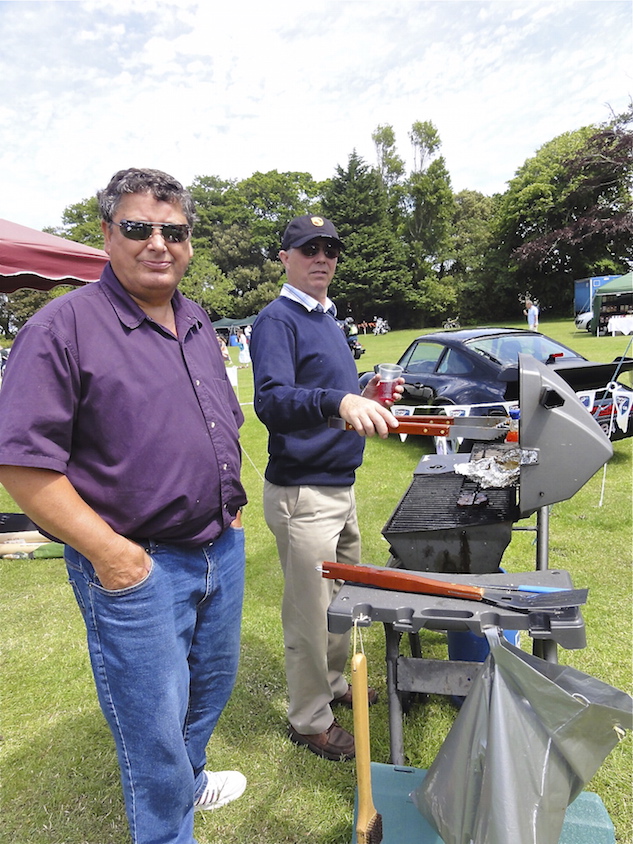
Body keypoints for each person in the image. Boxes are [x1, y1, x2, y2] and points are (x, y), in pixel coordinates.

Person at [0, 168, 248, 844]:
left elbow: (217, 417)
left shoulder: (195, 317)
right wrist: (111, 555)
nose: (158, 243)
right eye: (139, 228)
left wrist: (228, 510)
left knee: (207, 693)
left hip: (218, 549)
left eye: (174, 231)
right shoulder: (62, 328)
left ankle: (193, 781)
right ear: (108, 234)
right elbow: (22, 464)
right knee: (152, 728)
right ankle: (168, 829)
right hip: (137, 565)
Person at [249, 214, 401, 762]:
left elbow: (333, 390)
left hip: (340, 485)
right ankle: (309, 719)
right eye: (309, 248)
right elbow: (272, 401)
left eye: (331, 249)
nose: (322, 257)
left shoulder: (327, 319)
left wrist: (366, 392)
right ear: (285, 256)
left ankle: (335, 687)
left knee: (340, 601)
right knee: (310, 611)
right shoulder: (276, 320)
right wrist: (337, 401)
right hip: (303, 493)